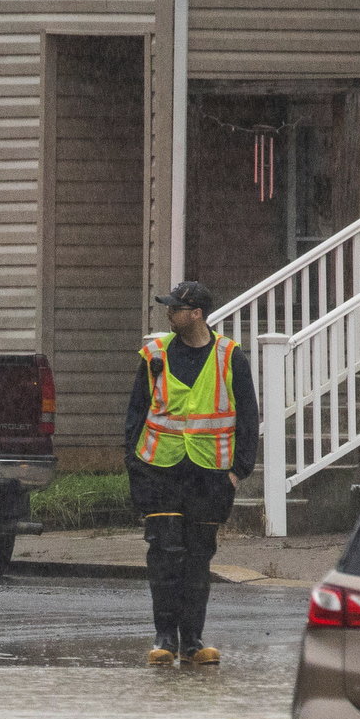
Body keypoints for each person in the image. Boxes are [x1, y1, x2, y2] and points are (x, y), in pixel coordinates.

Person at [125, 281, 260, 666]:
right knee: (164, 556)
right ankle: (164, 639)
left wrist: (239, 472)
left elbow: (249, 416)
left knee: (198, 559)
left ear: (196, 314)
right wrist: (135, 466)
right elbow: (136, 414)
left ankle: (193, 642)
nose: (168, 314)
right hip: (160, 472)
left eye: (175, 309)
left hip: (209, 476)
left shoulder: (229, 355)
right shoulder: (154, 354)